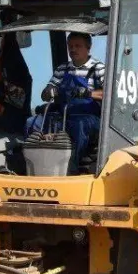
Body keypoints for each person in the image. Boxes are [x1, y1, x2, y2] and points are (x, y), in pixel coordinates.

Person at [41, 32, 104, 173]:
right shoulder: (62, 69)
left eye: (77, 46)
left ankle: (70, 167)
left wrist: (88, 93)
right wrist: (48, 91)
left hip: (90, 118)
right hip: (64, 115)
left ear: (88, 48)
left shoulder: (98, 68)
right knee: (33, 123)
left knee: (79, 126)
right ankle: (39, 163)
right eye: (70, 46)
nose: (73, 49)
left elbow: (111, 94)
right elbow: (47, 91)